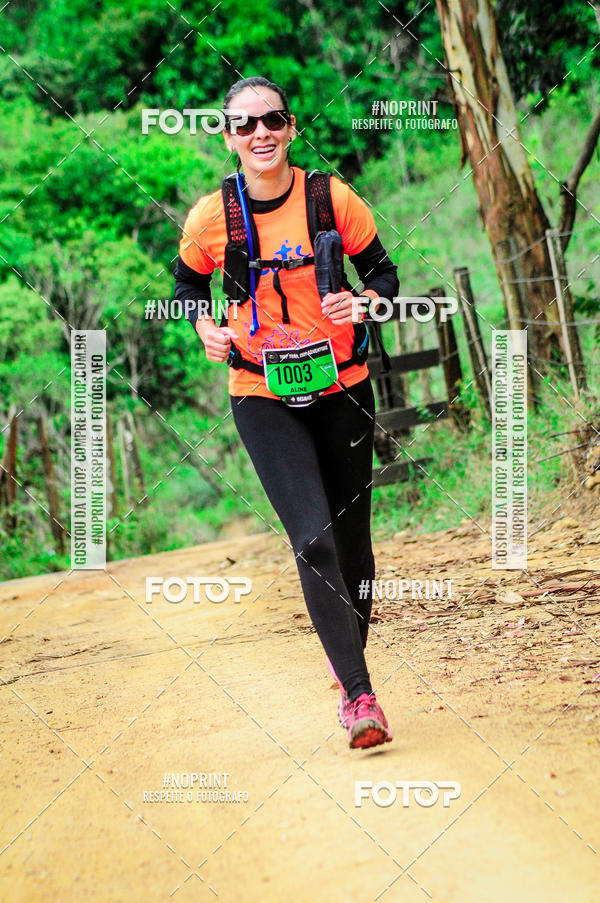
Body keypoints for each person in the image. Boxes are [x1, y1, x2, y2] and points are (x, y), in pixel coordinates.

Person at [174, 76, 399, 749]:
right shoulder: (210, 217)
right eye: (245, 124)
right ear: (228, 137)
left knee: (353, 545)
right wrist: (205, 326)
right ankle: (360, 696)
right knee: (313, 538)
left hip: (343, 387)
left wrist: (364, 303)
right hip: (261, 393)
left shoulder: (331, 198)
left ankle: (346, 663)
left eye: (272, 120)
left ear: (291, 128)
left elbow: (384, 275)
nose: (260, 133)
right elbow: (187, 284)